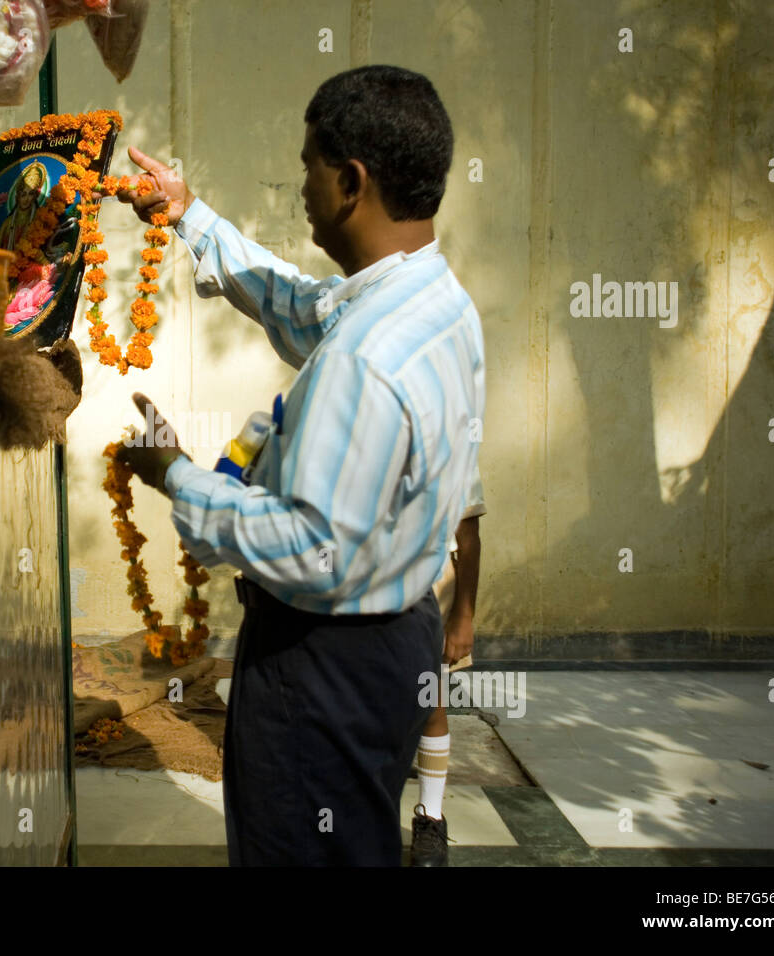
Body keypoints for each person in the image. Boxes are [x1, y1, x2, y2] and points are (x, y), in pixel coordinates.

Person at [111, 65, 485, 866]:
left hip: (325, 665)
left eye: (309, 163)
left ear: (349, 182)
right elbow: (299, 305)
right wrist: (189, 217)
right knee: (352, 842)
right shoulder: (429, 301)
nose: (300, 184)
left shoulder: (368, 356)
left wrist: (175, 473)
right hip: (392, 644)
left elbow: (313, 549)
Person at [411, 468, 486, 867]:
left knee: (431, 701)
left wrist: (463, 616)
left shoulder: (452, 443)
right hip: (368, 594)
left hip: (430, 591)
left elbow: (468, 540)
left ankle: (430, 815)